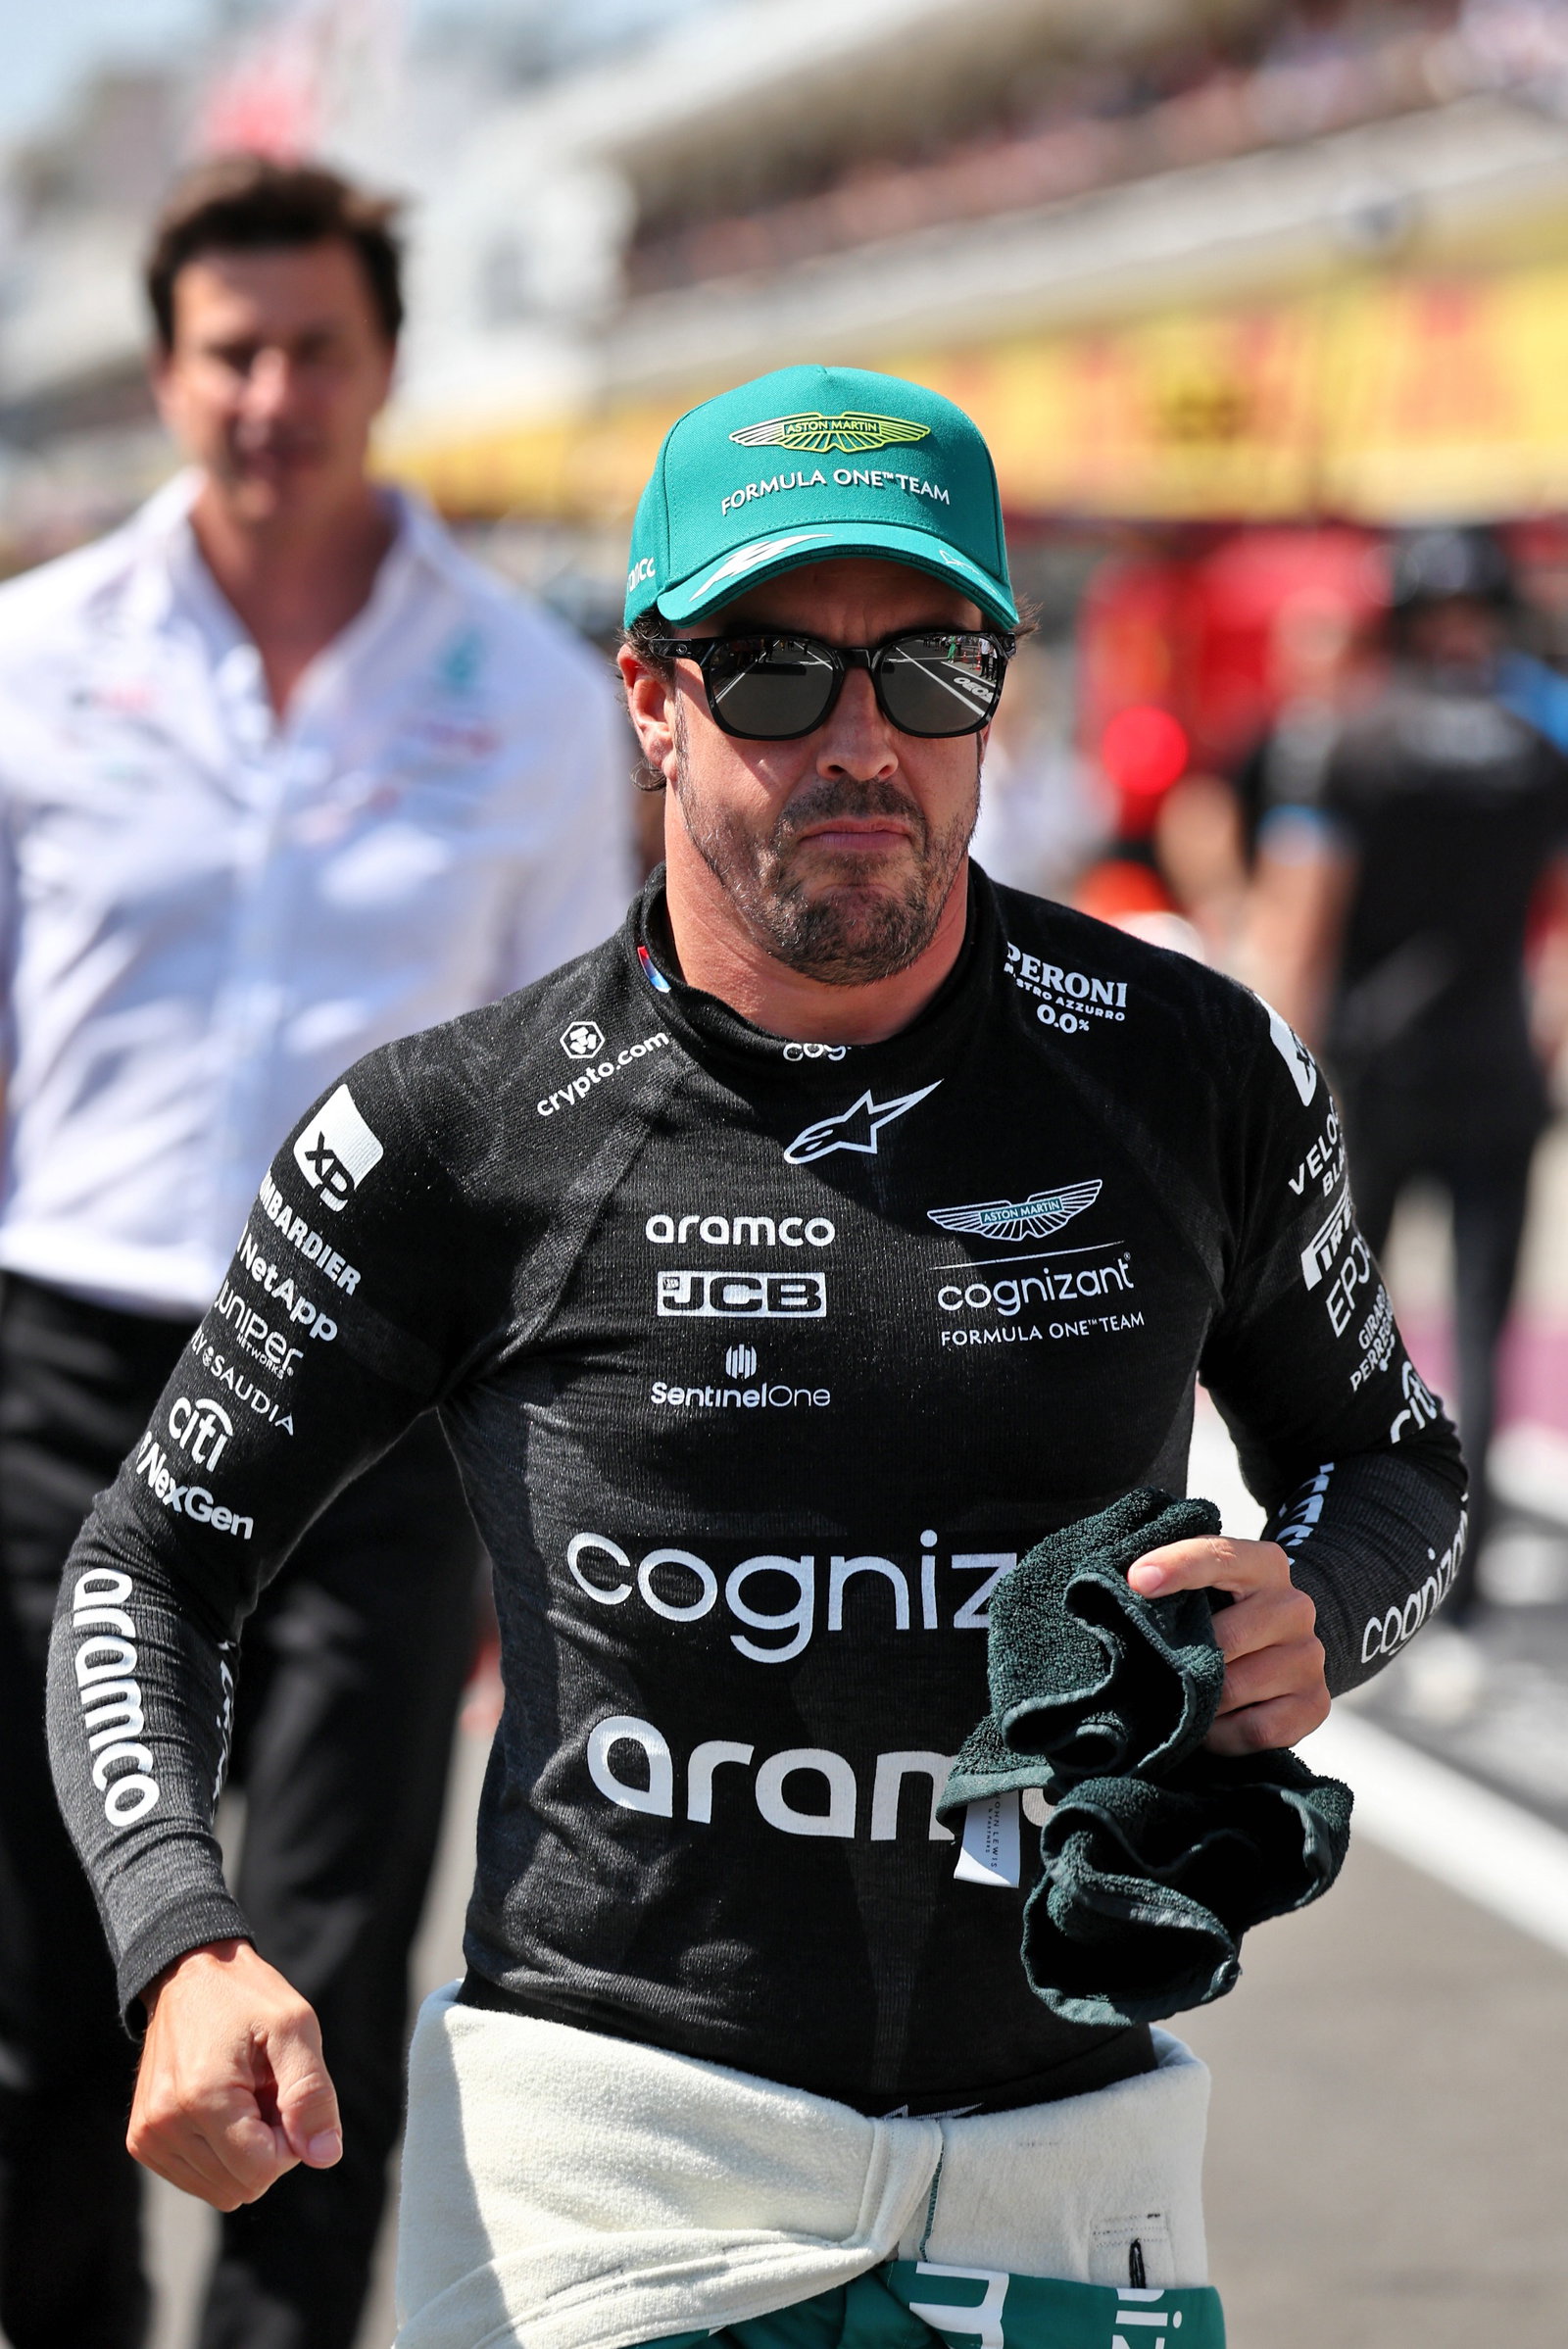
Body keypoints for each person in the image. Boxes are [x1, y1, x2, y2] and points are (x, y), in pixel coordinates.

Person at [47, 365, 1462, 2349]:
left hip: (1063, 2153)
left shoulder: (1191, 1067)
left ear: (1003, 684)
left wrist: (1311, 1605)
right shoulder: (453, 1130)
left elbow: (1388, 1456)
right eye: (777, 674)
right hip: (610, 2156)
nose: (859, 742)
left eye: (932, 668)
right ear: (652, 692)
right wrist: (181, 1941)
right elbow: (150, 1564)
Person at [0, 155, 628, 2349]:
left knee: (328, 1988)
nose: (272, 395)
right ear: (169, 371)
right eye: (230, 352)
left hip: (376, 1410)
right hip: (60, 1370)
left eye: (314, 352)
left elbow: (573, 1130)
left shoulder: (530, 700)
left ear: (382, 366)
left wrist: (530, 1496)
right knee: (43, 1995)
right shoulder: (31, 665)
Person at [1246, 525, 1568, 1621]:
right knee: (1480, 1320)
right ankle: (1465, 1579)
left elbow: (1305, 915)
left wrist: (1274, 1070)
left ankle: (1345, 1554)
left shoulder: (1351, 738)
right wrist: (1544, 1037)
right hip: (1496, 1067)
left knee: (1341, 1324)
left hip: (1376, 1072)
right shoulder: (1540, 742)